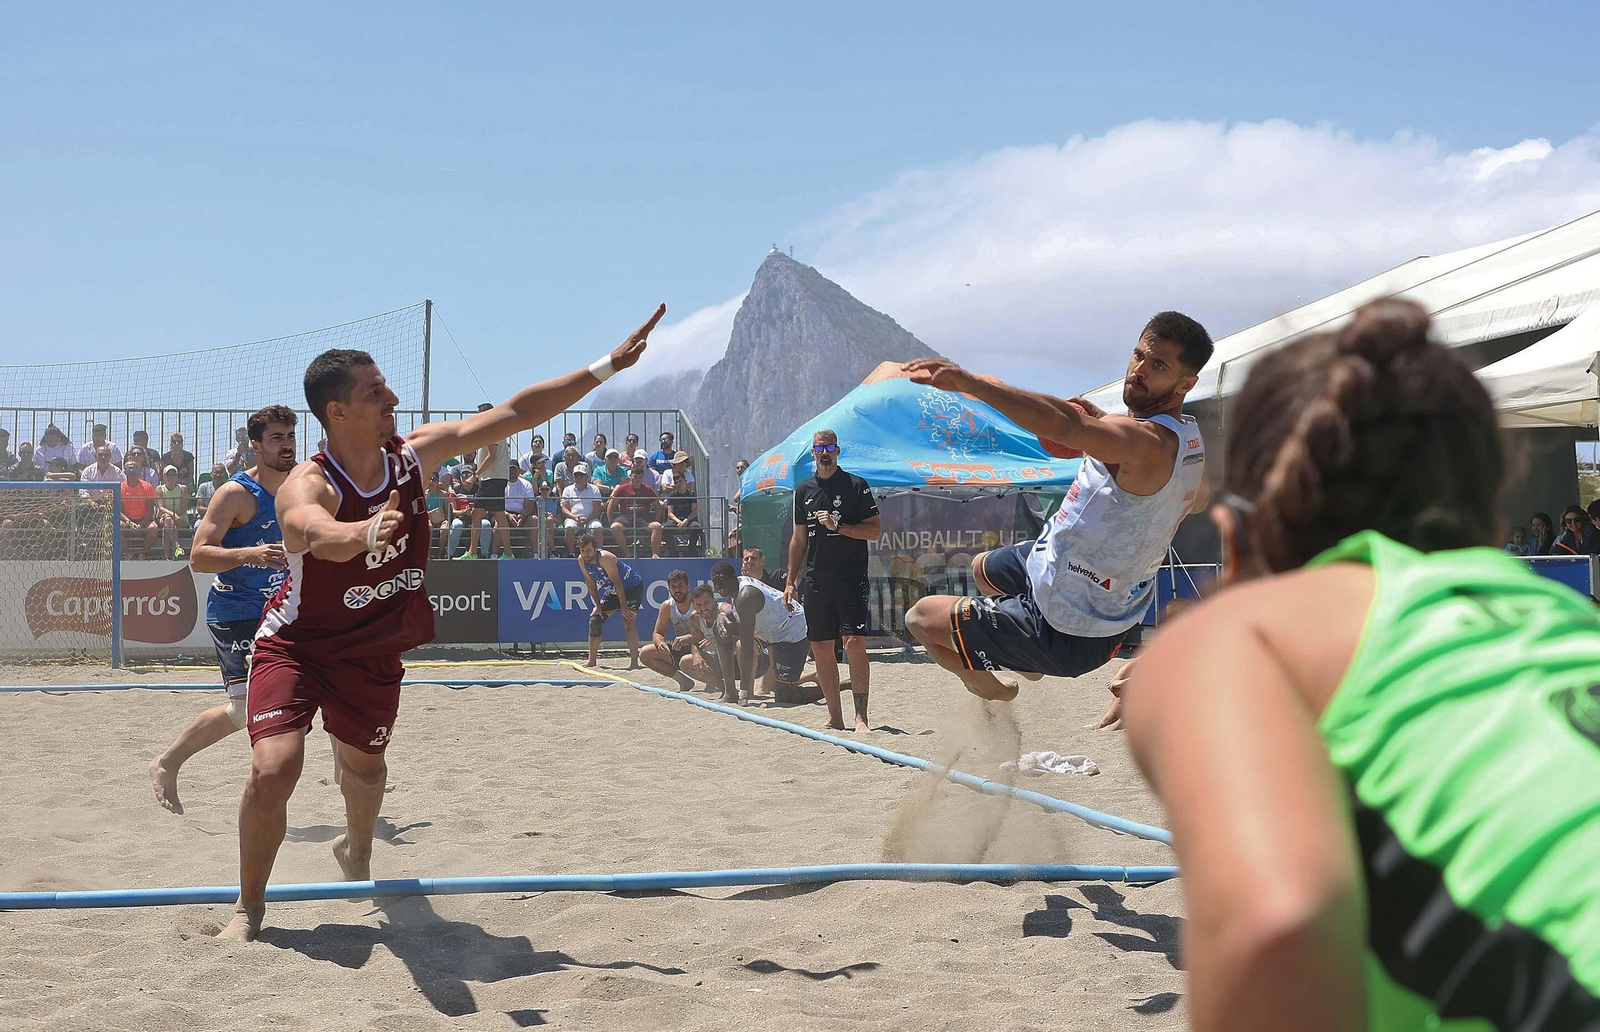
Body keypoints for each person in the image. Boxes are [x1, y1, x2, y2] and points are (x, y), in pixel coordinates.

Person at [1122, 299, 1600, 1032]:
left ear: (1238, 536)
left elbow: (1275, 933)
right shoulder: (1569, 626)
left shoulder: (1248, 635)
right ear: (1487, 511)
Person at [220, 303, 664, 941]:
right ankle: (249, 907)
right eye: (376, 392)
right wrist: (362, 531)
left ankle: (357, 850)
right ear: (336, 412)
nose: (392, 397)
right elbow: (308, 531)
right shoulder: (307, 482)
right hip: (298, 644)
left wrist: (605, 367)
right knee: (274, 769)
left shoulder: (413, 455)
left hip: (372, 647)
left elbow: (511, 414)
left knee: (365, 769)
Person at [900, 312, 1213, 703]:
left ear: (1186, 383)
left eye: (1158, 365)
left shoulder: (1144, 443)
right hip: (1078, 578)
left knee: (920, 617)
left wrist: (971, 383)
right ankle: (1026, 663)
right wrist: (1107, 427)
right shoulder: (1188, 441)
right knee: (983, 568)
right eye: (1139, 356)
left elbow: (1067, 426)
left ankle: (987, 686)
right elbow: (1198, 498)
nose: (1139, 370)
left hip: (1069, 629)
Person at [150, 406, 296, 814]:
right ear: (255, 445)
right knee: (244, 710)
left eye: (289, 436)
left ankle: (353, 772)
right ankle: (167, 762)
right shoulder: (236, 493)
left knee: (329, 676)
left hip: (281, 609)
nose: (286, 445)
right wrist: (252, 553)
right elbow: (198, 557)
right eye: (276, 438)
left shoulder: (303, 485)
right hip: (236, 610)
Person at [783, 428, 882, 732]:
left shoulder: (855, 485)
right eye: (819, 449)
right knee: (822, 647)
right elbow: (799, 540)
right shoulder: (803, 490)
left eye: (830, 448)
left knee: (853, 643)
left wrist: (840, 527)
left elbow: (874, 530)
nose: (824, 453)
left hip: (851, 578)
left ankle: (861, 717)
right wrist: (790, 581)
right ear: (812, 453)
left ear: (838, 451)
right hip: (816, 581)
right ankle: (835, 717)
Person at [710, 556, 819, 707]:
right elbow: (732, 611)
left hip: (791, 630)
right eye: (715, 581)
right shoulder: (737, 586)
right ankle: (730, 693)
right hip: (770, 629)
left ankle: (840, 686)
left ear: (733, 578)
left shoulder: (746, 596)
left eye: (721, 580)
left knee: (785, 696)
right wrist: (722, 615)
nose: (718, 585)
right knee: (719, 627)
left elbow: (748, 647)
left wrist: (745, 692)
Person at [576, 532, 644, 669]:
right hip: (613, 590)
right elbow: (590, 583)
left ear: (595, 549)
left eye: (588, 550)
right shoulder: (581, 560)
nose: (585, 554)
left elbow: (618, 582)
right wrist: (598, 606)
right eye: (583, 551)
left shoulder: (605, 558)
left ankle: (634, 663)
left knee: (628, 623)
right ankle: (592, 661)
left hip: (631, 587)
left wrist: (624, 607)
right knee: (595, 621)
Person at [638, 569, 704, 690]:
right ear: (668, 588)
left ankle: (712, 682)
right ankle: (683, 681)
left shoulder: (697, 603)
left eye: (681, 586)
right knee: (645, 653)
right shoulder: (667, 606)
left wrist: (687, 638)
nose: (677, 590)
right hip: (681, 649)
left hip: (702, 649)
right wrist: (661, 643)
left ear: (688, 587)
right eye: (673, 587)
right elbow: (657, 633)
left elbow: (708, 634)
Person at [470, 403, 513, 559]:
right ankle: (473, 552)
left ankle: (506, 553)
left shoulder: (492, 429)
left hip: (492, 478)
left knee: (497, 515)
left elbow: (491, 455)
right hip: (492, 478)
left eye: (479, 414)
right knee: (481, 513)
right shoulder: (494, 428)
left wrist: (474, 475)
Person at [607, 459, 663, 557]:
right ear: (630, 477)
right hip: (626, 517)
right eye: (635, 476)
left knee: (657, 526)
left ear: (643, 477)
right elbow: (611, 505)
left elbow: (658, 506)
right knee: (614, 527)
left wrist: (657, 519)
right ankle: (627, 553)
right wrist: (610, 521)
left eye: (640, 477)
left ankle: (655, 554)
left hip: (643, 517)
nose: (637, 479)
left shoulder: (648, 489)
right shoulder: (622, 488)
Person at [119, 457, 161, 558]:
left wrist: (141, 524)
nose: (132, 470)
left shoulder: (147, 487)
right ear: (125, 471)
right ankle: (128, 553)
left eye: (134, 468)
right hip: (127, 521)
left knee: (154, 528)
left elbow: (150, 510)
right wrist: (129, 523)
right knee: (115, 527)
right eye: (129, 468)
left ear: (139, 471)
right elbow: (118, 511)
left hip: (144, 520)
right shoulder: (120, 487)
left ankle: (142, 554)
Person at [560, 463, 605, 554]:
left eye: (582, 475)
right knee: (569, 528)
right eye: (576, 475)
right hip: (573, 519)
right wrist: (575, 518)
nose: (579, 477)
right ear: (573, 477)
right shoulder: (567, 489)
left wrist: (588, 519)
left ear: (586, 477)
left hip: (591, 519)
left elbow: (597, 509)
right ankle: (571, 553)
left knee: (598, 528)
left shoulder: (594, 489)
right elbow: (564, 508)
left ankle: (599, 553)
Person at [663, 473, 700, 557]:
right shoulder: (672, 495)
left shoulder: (692, 494)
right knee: (667, 528)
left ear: (686, 481)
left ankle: (691, 551)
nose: (678, 484)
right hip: (675, 520)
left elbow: (694, 511)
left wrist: (686, 520)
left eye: (680, 481)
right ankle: (673, 552)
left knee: (696, 527)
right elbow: (670, 513)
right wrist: (679, 521)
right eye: (676, 483)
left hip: (689, 519)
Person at [157, 464, 190, 559]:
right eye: (168, 474)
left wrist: (173, 516)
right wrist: (172, 515)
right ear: (164, 477)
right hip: (166, 517)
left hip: (181, 519)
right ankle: (177, 547)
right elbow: (161, 507)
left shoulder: (183, 488)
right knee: (168, 520)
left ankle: (167, 557)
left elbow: (183, 508)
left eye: (174, 474)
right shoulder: (159, 489)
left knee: (166, 528)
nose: (171, 477)